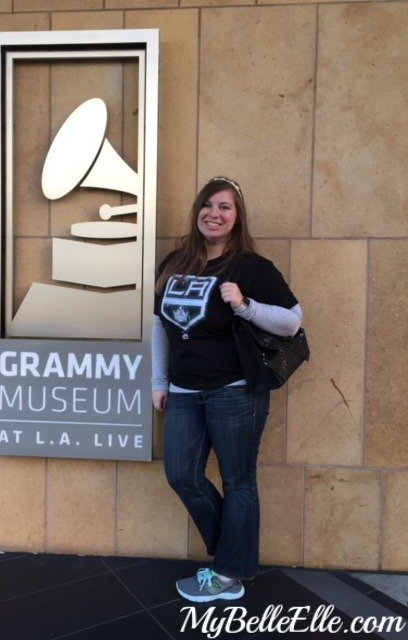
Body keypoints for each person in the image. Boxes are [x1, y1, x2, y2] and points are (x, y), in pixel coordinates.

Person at [151, 176, 303, 603]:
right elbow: (158, 325)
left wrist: (244, 305)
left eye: (225, 207)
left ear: (237, 218)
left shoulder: (251, 268)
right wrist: (158, 382)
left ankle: (229, 572)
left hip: (235, 390)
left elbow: (292, 321)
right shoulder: (174, 262)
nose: (214, 214)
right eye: (209, 205)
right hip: (183, 391)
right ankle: (234, 557)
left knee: (239, 481)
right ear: (198, 209)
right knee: (181, 474)